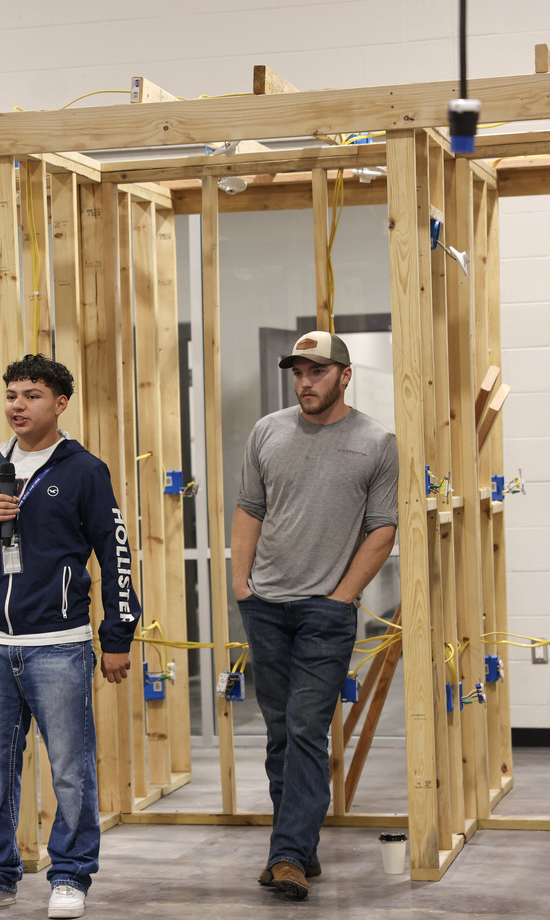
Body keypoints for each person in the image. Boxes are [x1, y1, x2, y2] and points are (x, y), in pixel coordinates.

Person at [0, 354, 140, 919]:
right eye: (11, 395)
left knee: (72, 769)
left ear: (59, 403)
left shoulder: (84, 471)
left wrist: (117, 634)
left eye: (31, 395)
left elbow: (117, 555)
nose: (17, 406)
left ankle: (71, 877)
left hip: (60, 645)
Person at [231, 331, 398, 901]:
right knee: (281, 732)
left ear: (344, 376)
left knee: (306, 727)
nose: (306, 381)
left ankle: (285, 855)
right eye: (299, 371)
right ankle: (298, 846)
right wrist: (241, 585)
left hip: (327, 611)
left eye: (318, 371)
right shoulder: (267, 432)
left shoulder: (376, 441)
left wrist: (341, 597)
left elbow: (382, 528)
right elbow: (250, 509)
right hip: (266, 607)